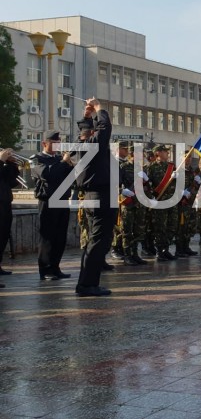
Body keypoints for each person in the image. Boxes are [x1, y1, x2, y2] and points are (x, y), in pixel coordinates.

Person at [75, 98, 116, 297]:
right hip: (100, 196)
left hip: (94, 196)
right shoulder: (92, 147)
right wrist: (100, 109)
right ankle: (87, 285)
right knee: (98, 242)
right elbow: (104, 129)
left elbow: (95, 130)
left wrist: (86, 116)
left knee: (95, 241)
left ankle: (86, 282)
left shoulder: (79, 147)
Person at [31, 130, 75, 279]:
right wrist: (63, 162)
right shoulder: (37, 159)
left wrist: (70, 165)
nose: (57, 145)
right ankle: (45, 269)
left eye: (58, 143)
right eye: (54, 143)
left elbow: (70, 178)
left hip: (62, 200)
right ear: (44, 143)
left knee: (60, 237)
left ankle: (55, 267)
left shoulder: (59, 159)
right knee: (47, 237)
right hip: (48, 201)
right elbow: (47, 175)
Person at [117, 142, 149, 265]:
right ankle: (127, 255)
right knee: (127, 229)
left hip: (139, 203)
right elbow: (116, 184)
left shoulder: (141, 168)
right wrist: (122, 191)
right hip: (128, 203)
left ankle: (135, 254)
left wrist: (147, 182)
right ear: (132, 154)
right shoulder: (123, 167)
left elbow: (147, 188)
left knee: (138, 230)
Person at [0, 147, 20, 283]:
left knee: (3, 235)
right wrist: (1, 160)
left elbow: (12, 181)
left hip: (5, 203)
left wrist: (12, 163)